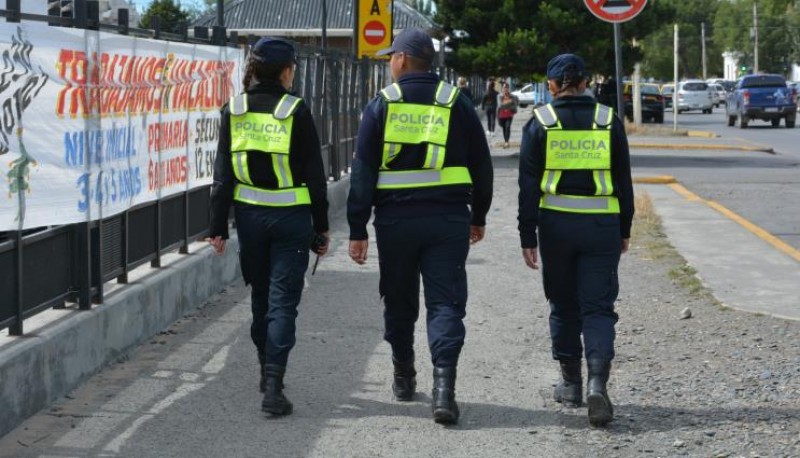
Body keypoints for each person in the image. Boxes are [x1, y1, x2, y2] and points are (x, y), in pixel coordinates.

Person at [347, 28, 493, 425]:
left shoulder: (383, 103)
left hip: (396, 222)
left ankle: (403, 373)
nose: (390, 62)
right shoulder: (456, 101)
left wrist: (357, 228)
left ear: (404, 59)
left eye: (392, 56)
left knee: (399, 299)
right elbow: (482, 165)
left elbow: (362, 171)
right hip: (448, 220)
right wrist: (478, 215)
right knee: (445, 303)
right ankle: (444, 391)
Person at [207, 37, 330, 416]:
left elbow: (222, 176)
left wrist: (217, 226)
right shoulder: (296, 110)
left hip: (250, 220)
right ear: (287, 71)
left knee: (261, 298)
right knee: (283, 303)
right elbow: (315, 176)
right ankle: (274, 387)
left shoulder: (234, 109)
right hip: (291, 220)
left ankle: (265, 372)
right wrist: (321, 228)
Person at [517, 54, 634, 427]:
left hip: (556, 228)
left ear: (552, 86)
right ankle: (598, 382)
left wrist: (526, 233)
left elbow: (527, 187)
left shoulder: (540, 123)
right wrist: (625, 228)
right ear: (585, 83)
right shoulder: (607, 120)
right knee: (598, 307)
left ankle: (571, 385)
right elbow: (624, 179)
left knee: (564, 304)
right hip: (601, 226)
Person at [497, 83, 519, 148]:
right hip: (501, 115)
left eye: (506, 87)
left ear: (508, 88)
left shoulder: (513, 96)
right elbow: (500, 106)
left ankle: (507, 142)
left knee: (507, 127)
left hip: (509, 115)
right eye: (504, 87)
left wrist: (505, 104)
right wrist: (509, 102)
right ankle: (505, 140)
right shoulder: (499, 96)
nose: (505, 89)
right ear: (502, 89)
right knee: (504, 128)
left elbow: (515, 105)